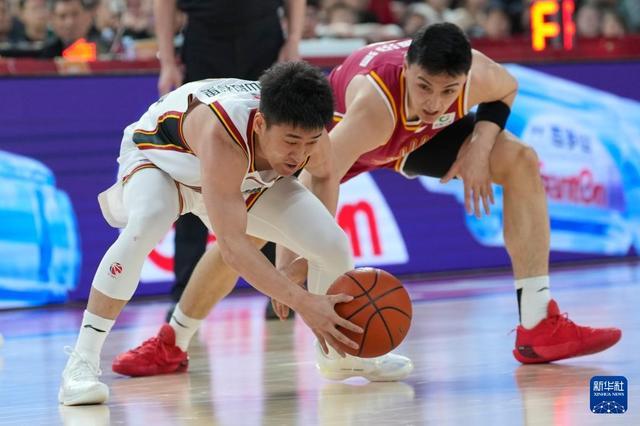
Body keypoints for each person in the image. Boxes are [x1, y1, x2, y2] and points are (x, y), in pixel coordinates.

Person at [114, 23, 622, 381]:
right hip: (335, 148)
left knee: (522, 159)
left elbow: (505, 92)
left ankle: (537, 323)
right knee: (246, 236)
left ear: (464, 79)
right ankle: (173, 341)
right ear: (408, 69)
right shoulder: (372, 109)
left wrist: (480, 147)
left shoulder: (475, 77)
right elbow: (319, 179)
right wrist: (293, 260)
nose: (435, 102)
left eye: (448, 91)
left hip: (414, 141)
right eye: (424, 87)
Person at [58, 62, 365, 406]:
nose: (300, 154)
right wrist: (301, 300)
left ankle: (340, 357)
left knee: (332, 244)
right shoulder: (224, 132)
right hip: (163, 159)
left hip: (234, 177)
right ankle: (81, 364)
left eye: (310, 142)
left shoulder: (307, 130)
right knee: (147, 222)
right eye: (291, 141)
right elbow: (232, 247)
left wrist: (299, 263)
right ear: (261, 124)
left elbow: (324, 176)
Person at [154, 0, 306, 321]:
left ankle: (280, 288)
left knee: (274, 162)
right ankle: (185, 295)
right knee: (198, 168)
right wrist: (166, 59)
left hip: (263, 37)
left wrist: (293, 38)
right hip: (205, 39)